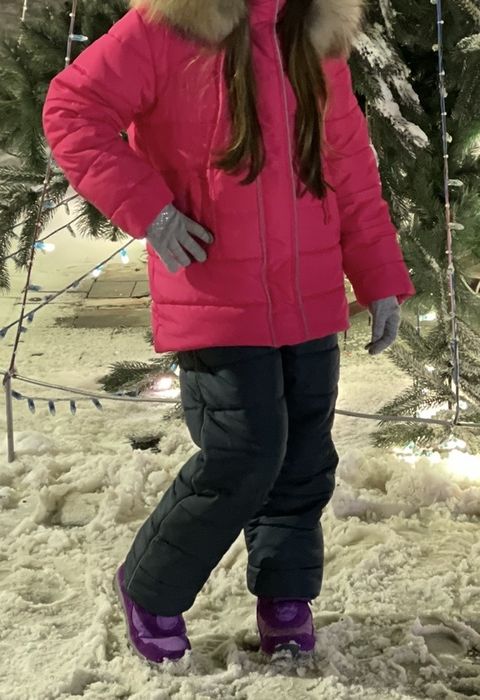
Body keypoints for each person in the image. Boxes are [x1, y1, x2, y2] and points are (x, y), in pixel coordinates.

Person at [43, 0, 415, 663]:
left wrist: (378, 274)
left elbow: (349, 167)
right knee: (243, 455)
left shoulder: (314, 32)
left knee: (304, 458)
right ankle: (151, 585)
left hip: (309, 294)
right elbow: (72, 110)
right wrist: (151, 209)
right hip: (216, 291)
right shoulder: (169, 24)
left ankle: (285, 596)